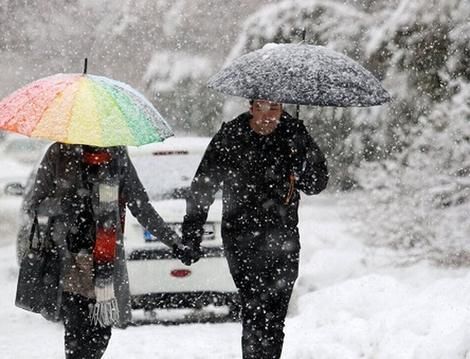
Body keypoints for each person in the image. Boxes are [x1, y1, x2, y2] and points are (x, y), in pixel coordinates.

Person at [180, 99, 329, 359]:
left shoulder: (294, 134)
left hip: (284, 239)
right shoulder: (231, 136)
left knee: (275, 317)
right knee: (255, 311)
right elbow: (202, 188)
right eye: (262, 107)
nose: (268, 115)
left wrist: (301, 160)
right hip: (241, 239)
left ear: (282, 109)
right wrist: (192, 236)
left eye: (275, 108)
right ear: (251, 107)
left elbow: (317, 183)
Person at [21, 142, 189, 359]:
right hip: (70, 264)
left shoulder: (116, 155)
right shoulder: (59, 152)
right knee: (77, 334)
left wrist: (174, 243)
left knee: (101, 335)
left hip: (105, 264)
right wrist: (68, 204)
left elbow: (141, 206)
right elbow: (35, 204)